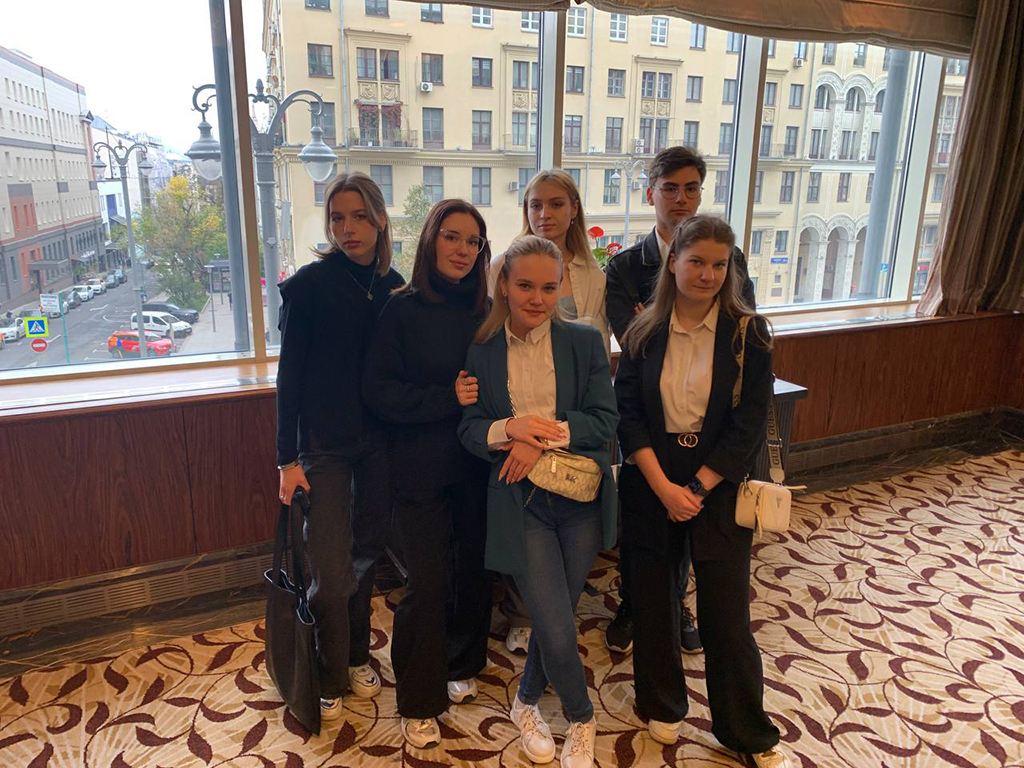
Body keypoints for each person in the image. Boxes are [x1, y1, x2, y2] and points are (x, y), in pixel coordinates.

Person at [614, 215, 788, 768]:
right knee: (653, 602)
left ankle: (745, 730)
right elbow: (628, 416)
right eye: (697, 262)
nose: (708, 274)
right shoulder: (643, 331)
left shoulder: (749, 334)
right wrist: (664, 487)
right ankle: (662, 704)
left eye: (719, 264)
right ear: (674, 263)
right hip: (652, 479)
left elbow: (749, 422)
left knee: (726, 614)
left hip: (718, 482)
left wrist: (696, 486)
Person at [459, 236, 619, 768]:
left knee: (557, 620)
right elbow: (469, 430)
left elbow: (605, 421)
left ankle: (525, 701)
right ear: (503, 285)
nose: (537, 298)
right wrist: (512, 430)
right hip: (520, 502)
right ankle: (582, 717)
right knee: (554, 622)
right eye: (525, 285)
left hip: (578, 499)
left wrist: (539, 436)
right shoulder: (482, 349)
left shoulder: (584, 342)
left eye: (549, 288)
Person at [603, 145, 756, 656]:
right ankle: (637, 603)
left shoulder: (730, 258)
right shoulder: (626, 265)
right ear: (651, 193)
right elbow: (634, 339)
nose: (681, 198)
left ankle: (677, 603)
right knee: (646, 536)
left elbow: (737, 335)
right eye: (670, 188)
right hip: (652, 416)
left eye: (691, 188)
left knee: (696, 526)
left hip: (708, 424)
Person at [363, 199, 493, 749]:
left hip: (478, 464)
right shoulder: (402, 308)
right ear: (431, 241)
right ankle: (418, 700)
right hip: (418, 468)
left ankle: (461, 662)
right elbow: (378, 392)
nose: (462, 249)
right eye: (452, 237)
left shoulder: (488, 311)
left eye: (473, 241)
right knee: (428, 581)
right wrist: (446, 399)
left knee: (474, 572)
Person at [275, 172, 405, 725]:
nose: (347, 228)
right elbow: (288, 378)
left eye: (358, 216)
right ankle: (329, 671)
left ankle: (355, 655)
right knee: (330, 571)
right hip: (323, 448)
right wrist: (286, 459)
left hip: (379, 445)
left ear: (380, 220)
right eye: (336, 218)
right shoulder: (309, 286)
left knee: (365, 558)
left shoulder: (395, 286)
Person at [488, 169, 611, 654]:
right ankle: (524, 614)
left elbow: (598, 343)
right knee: (525, 518)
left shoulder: (592, 274)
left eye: (556, 204)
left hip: (571, 420)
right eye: (535, 204)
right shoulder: (504, 263)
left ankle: (553, 618)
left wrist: (563, 427)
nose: (545, 214)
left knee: (569, 527)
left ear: (574, 210)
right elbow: (492, 335)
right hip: (519, 416)